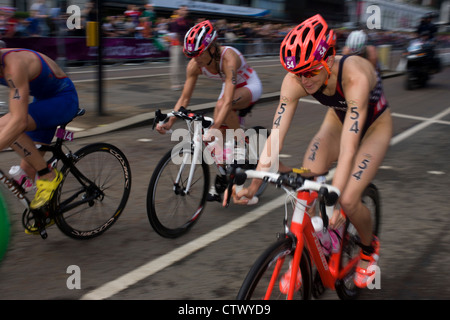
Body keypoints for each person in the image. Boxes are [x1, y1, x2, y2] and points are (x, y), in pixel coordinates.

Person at [227, 14, 392, 288]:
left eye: (311, 70)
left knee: (349, 200)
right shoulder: (295, 80)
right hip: (339, 119)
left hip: (374, 126)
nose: (304, 79)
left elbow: (350, 148)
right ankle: (313, 245)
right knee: (307, 181)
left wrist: (336, 197)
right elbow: (275, 136)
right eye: (297, 72)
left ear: (329, 59)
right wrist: (256, 182)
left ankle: (368, 246)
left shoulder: (355, 77)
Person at [155, 20, 263, 202]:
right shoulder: (194, 65)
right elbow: (184, 98)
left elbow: (228, 101)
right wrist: (170, 120)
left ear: (212, 47)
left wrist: (215, 126)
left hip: (250, 85)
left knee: (221, 109)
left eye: (198, 54)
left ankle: (242, 145)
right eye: (191, 55)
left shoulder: (228, 59)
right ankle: (223, 174)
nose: (195, 59)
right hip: (230, 87)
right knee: (218, 135)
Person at [0, 48, 79, 233]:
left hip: (63, 100)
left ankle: (48, 175)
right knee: (26, 173)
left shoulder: (13, 65)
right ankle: (46, 214)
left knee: (9, 126)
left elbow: (18, 121)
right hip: (42, 102)